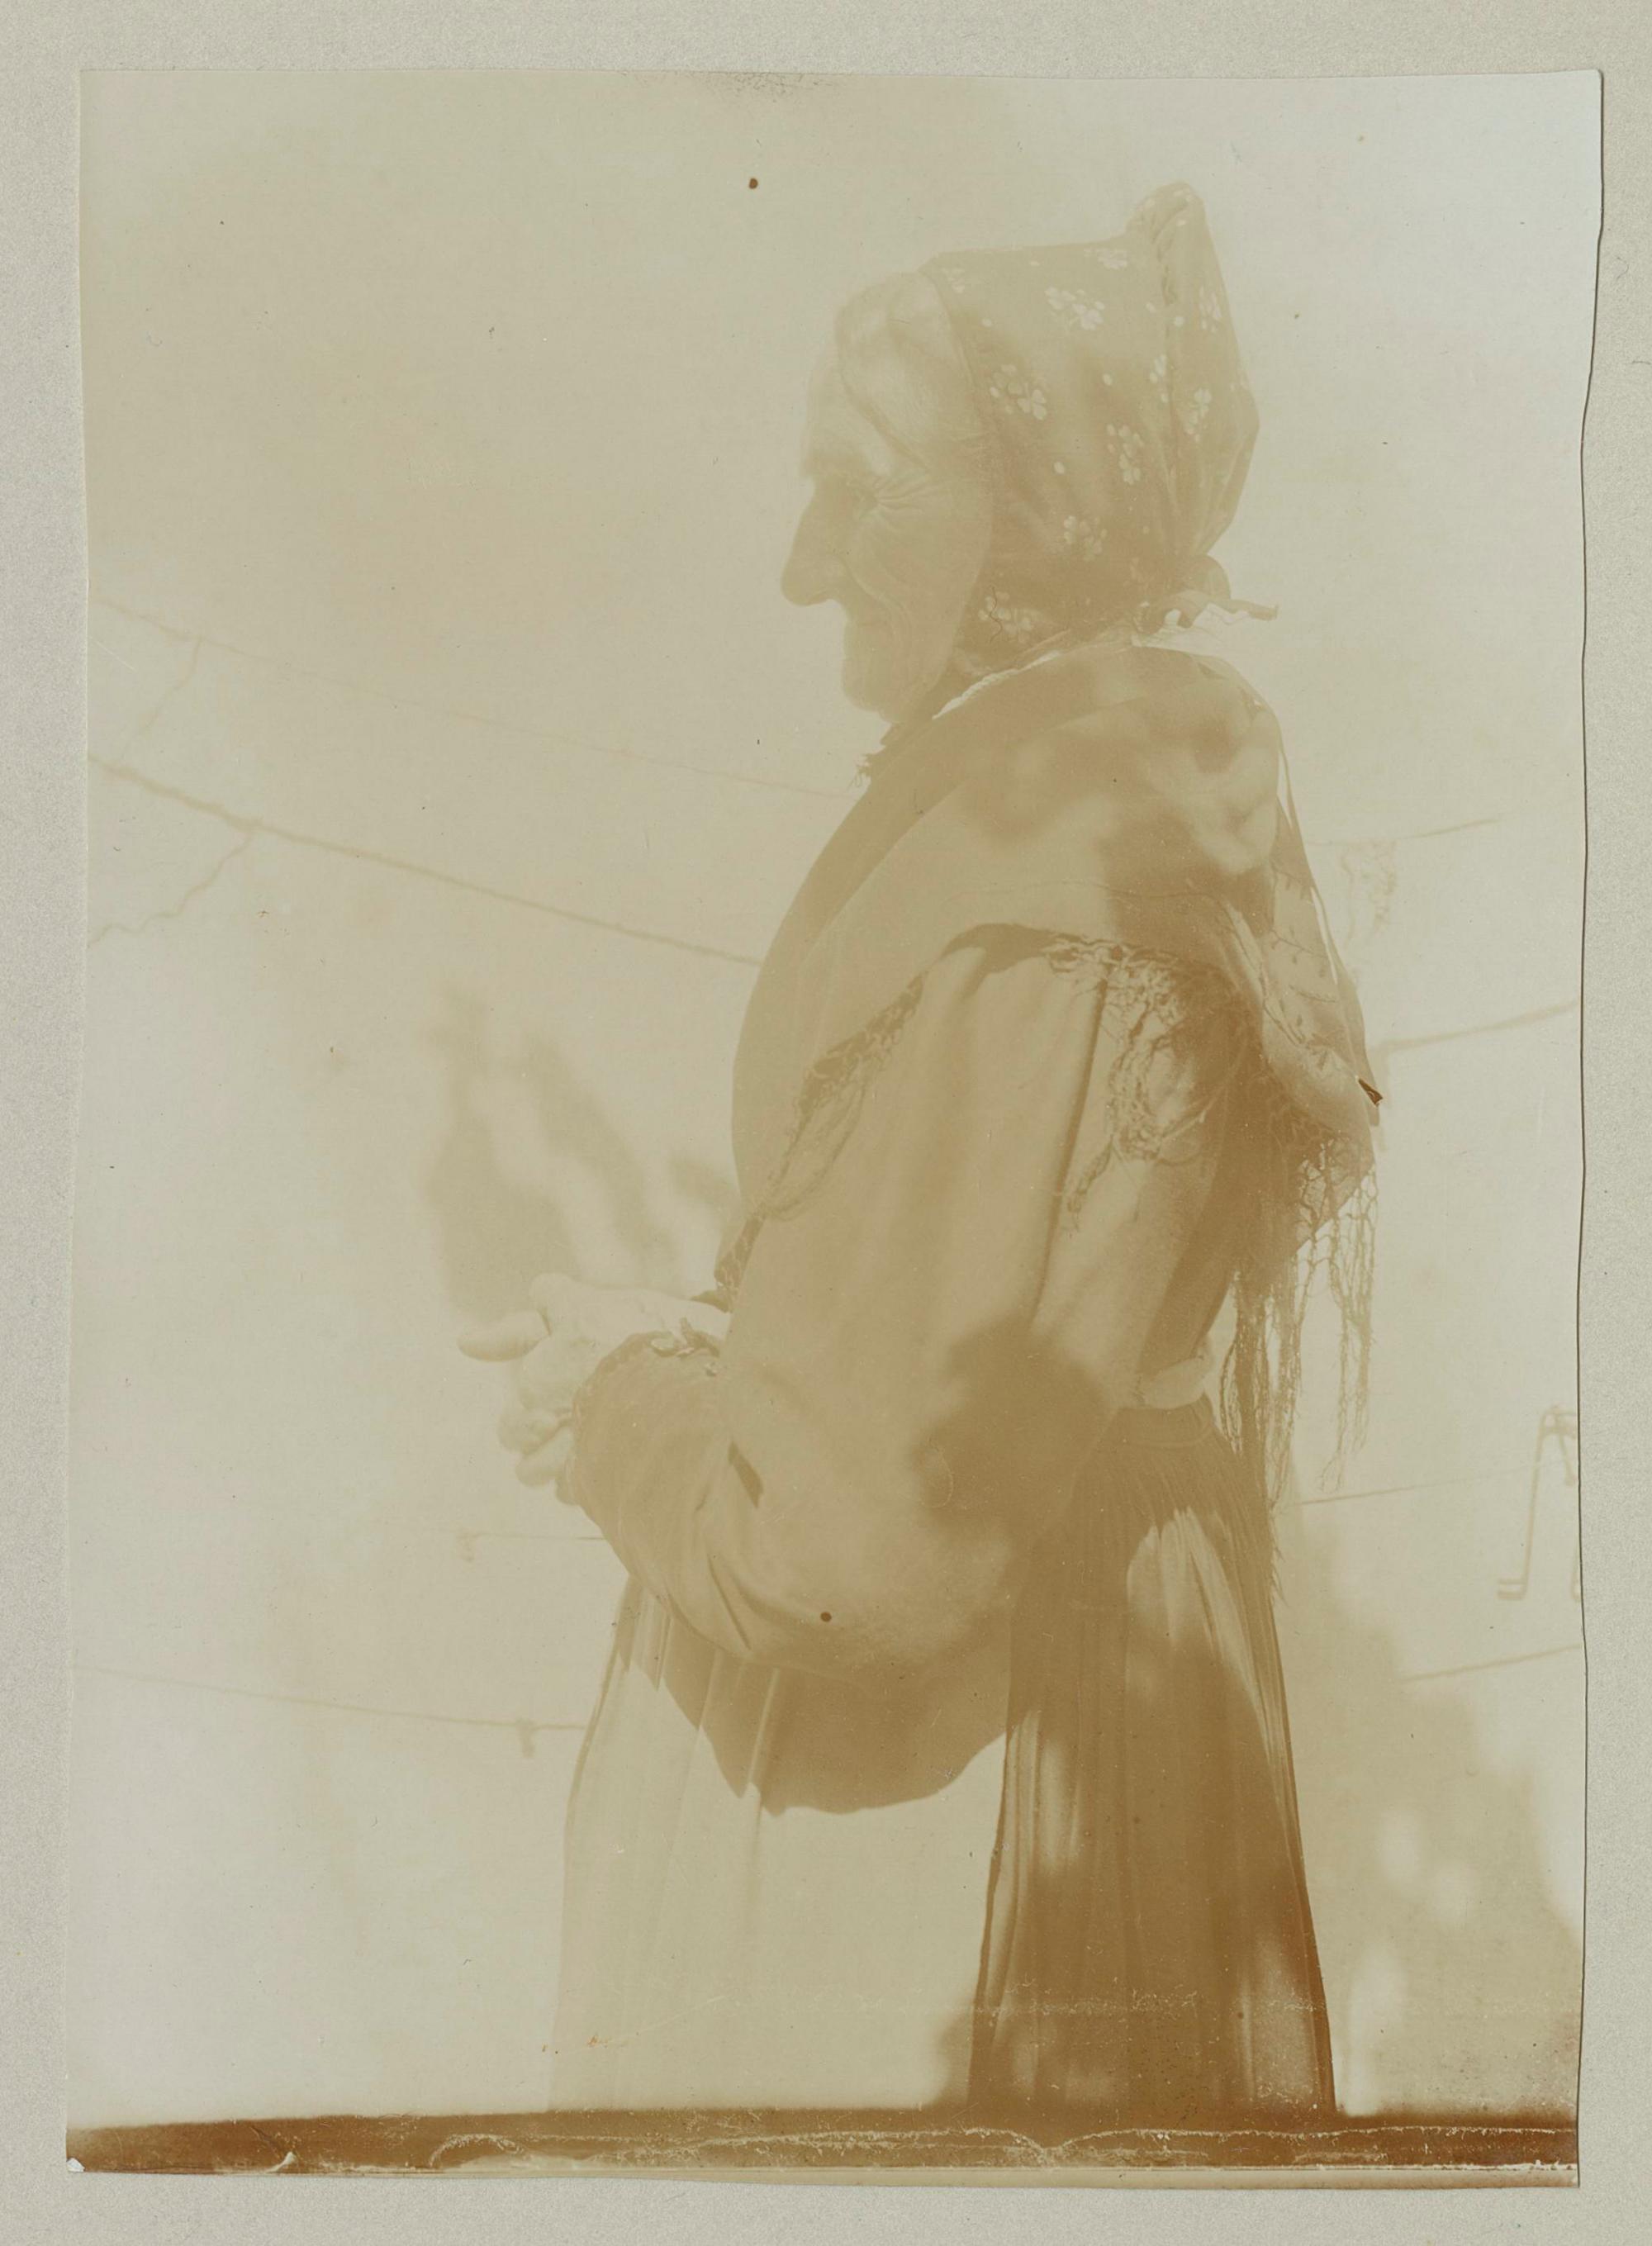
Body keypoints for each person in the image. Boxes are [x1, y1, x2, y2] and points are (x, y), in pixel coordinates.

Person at [461, 183, 1379, 2126]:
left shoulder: (1041, 848)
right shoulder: (1095, 798)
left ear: (1039, 509)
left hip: (940, 1795)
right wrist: (692, 1339)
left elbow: (843, 1553)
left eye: (861, 492)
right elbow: (969, 1306)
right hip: (1065, 1696)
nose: (806, 566)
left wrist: (618, 1402)